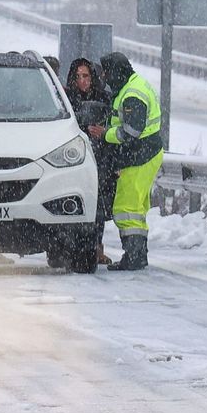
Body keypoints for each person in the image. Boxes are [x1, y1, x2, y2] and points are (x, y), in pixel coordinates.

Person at [88, 52, 164, 271]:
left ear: (114, 72)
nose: (103, 76)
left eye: (105, 72)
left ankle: (134, 256)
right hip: (144, 153)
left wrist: (104, 134)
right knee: (136, 209)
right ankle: (138, 254)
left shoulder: (132, 94)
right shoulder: (132, 85)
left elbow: (131, 130)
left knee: (126, 208)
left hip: (140, 155)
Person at [65, 57, 116, 266]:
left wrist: (103, 133)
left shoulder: (104, 97)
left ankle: (97, 247)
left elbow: (114, 123)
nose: (82, 81)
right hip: (73, 158)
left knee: (99, 206)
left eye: (85, 76)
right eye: (78, 77)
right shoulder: (66, 99)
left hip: (101, 157)